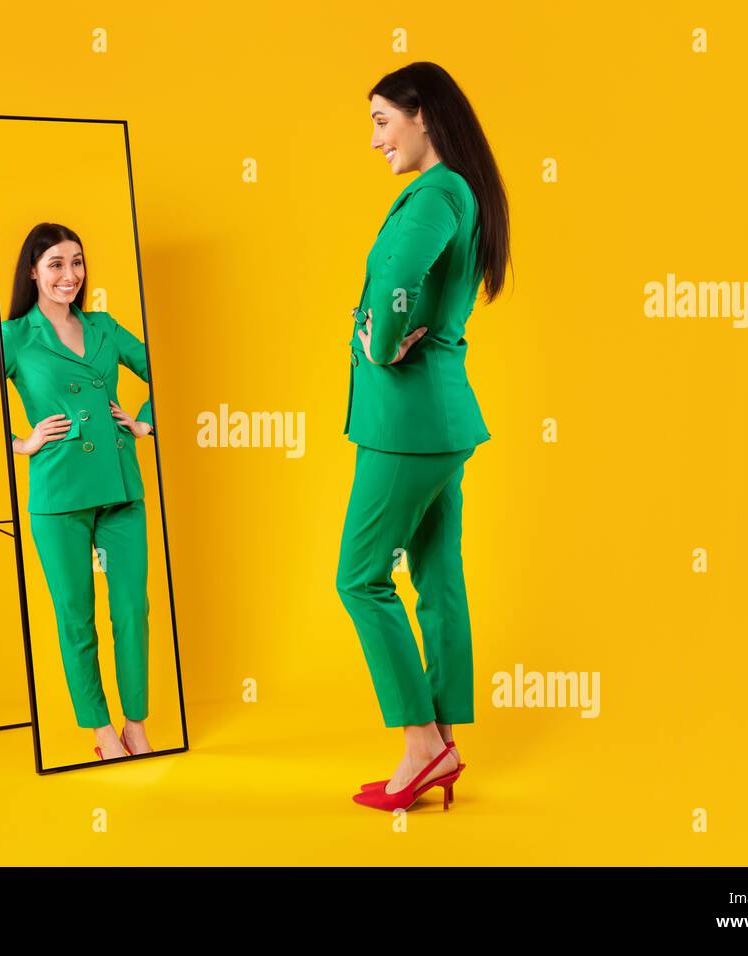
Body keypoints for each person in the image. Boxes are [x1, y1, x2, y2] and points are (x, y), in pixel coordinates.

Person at [337, 62, 511, 811]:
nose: (375, 139)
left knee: (360, 577)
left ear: (423, 116)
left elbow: (403, 274)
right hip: (443, 420)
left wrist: (382, 343)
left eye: (382, 120)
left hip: (407, 423)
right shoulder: (462, 191)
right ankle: (444, 740)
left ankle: (420, 744)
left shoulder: (437, 192)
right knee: (437, 576)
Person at [0, 222, 156, 760]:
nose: (70, 275)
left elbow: (162, 369)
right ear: (33, 273)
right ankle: (101, 731)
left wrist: (143, 423)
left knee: (132, 608)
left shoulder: (106, 326)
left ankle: (136, 724)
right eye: (57, 264)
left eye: (77, 262)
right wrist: (22, 443)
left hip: (120, 489)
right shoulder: (14, 336)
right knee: (76, 614)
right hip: (59, 495)